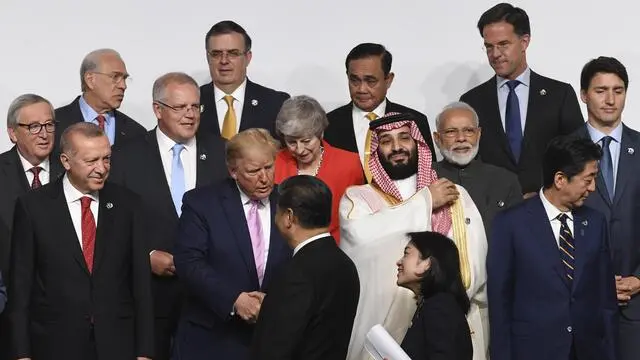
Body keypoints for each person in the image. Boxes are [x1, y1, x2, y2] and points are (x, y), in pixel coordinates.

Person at [339, 112, 488, 360]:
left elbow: (475, 260)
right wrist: (426, 201)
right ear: (376, 150)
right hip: (382, 326)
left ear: (418, 142)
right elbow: (360, 239)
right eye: (386, 141)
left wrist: (442, 305)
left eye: (404, 138)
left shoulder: (452, 193)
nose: (397, 147)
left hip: (448, 322)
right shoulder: (359, 199)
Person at [6, 122, 154, 360]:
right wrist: (21, 353)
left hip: (117, 343)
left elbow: (141, 285)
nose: (102, 168)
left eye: (106, 159)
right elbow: (20, 288)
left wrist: (145, 351)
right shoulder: (33, 207)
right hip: (54, 343)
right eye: (91, 161)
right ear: (66, 161)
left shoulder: (129, 205)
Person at [109, 72, 228, 360]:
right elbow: (112, 225)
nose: (190, 115)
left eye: (194, 107)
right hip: (148, 296)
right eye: (180, 107)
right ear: (157, 109)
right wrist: (145, 255)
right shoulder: (124, 156)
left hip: (208, 294)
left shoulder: (221, 151)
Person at [488, 136, 618, 360]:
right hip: (534, 350)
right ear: (560, 179)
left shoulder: (596, 222)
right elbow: (500, 302)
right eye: (588, 180)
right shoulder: (510, 224)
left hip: (588, 350)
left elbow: (605, 299)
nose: (593, 188)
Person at [172, 128, 292, 360]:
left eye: (268, 167)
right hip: (212, 339)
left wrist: (275, 301)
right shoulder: (202, 203)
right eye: (254, 171)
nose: (264, 178)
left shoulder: (288, 202)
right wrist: (234, 299)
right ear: (233, 171)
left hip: (271, 340)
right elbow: (188, 262)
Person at [459, 3, 584, 195]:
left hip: (548, 210)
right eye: (489, 47)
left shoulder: (560, 95)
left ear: (524, 41)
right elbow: (468, 165)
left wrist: (548, 195)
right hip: (493, 214)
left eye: (503, 44)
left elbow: (577, 157)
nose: (495, 54)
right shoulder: (471, 101)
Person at [569, 56, 640, 360]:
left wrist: (639, 277)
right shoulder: (562, 150)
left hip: (637, 303)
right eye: (601, 91)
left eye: (618, 90)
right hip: (580, 303)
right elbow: (553, 223)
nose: (611, 100)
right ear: (584, 94)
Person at [250, 175, 360, 359]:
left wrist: (272, 311)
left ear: (289, 217)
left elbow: (275, 348)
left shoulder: (296, 274)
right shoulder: (346, 265)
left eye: (277, 210)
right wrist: (273, 305)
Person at [324, 43, 435, 182]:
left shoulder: (414, 121)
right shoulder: (328, 124)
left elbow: (429, 176)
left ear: (388, 80)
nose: (361, 89)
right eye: (354, 80)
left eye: (370, 81)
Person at [274, 95, 363, 244]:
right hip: (283, 252)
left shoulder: (349, 164)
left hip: (334, 249)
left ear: (320, 133)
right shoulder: (275, 162)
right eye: (292, 142)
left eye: (306, 141)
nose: (300, 149)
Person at [433, 101, 522, 236]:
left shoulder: (506, 180)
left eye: (469, 131)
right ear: (437, 138)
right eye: (451, 132)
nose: (461, 138)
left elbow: (518, 234)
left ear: (478, 134)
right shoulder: (426, 177)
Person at [0, 94, 64, 278]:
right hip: (10, 291)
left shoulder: (71, 169)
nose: (44, 134)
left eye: (49, 125)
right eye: (34, 127)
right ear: (13, 133)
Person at [198, 21, 290, 139]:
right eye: (216, 54)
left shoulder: (276, 104)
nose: (224, 61)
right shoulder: (192, 103)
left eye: (233, 53)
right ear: (207, 57)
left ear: (248, 58)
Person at [396, 231, 473, 360]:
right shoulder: (432, 305)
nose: (399, 262)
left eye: (406, 254)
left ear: (427, 264)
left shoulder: (440, 307)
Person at [54, 48, 146, 149]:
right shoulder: (54, 125)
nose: (123, 86)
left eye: (124, 78)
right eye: (115, 77)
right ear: (90, 80)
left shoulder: (136, 132)